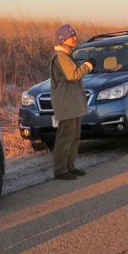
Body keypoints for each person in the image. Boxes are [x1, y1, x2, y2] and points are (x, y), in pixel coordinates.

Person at [50, 24, 94, 180]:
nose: (75, 38)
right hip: (66, 103)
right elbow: (73, 75)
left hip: (72, 103)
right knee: (65, 137)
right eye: (71, 36)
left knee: (74, 136)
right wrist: (88, 65)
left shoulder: (67, 55)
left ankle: (70, 166)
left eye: (74, 35)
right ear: (62, 39)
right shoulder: (60, 57)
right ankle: (60, 170)